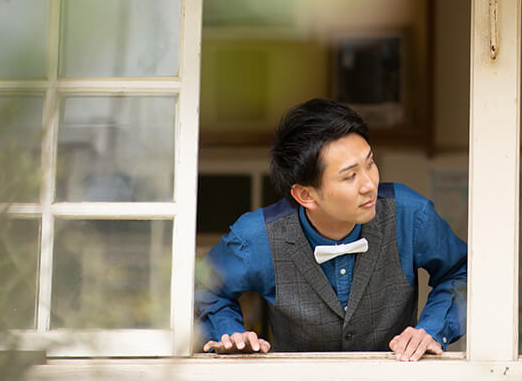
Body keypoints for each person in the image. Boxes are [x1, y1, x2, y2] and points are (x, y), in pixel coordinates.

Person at [194, 98, 467, 360]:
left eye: (370, 164)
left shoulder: (410, 214)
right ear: (306, 195)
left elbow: (464, 271)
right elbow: (204, 288)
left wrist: (431, 329)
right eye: (350, 176)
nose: (369, 184)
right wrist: (231, 334)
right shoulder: (257, 236)